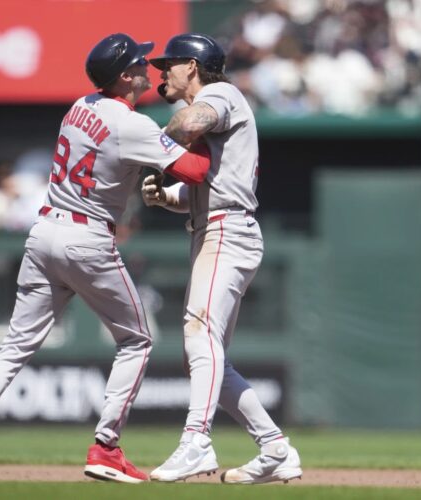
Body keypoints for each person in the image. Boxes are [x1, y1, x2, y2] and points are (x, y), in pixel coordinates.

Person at [0, 33, 211, 484]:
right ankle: (106, 447)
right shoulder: (132, 124)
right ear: (124, 76)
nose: (146, 67)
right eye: (139, 63)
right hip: (86, 238)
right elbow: (196, 171)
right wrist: (204, 129)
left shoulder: (80, 105)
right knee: (137, 340)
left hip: (45, 230)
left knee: (14, 346)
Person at [141, 33, 302, 484]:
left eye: (169, 65)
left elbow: (190, 122)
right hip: (215, 225)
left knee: (200, 333)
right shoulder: (213, 101)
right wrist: (168, 197)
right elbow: (209, 189)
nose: (162, 73)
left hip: (227, 230)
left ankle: (196, 440)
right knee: (207, 353)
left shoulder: (220, 93)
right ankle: (275, 448)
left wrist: (150, 143)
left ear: (192, 66)